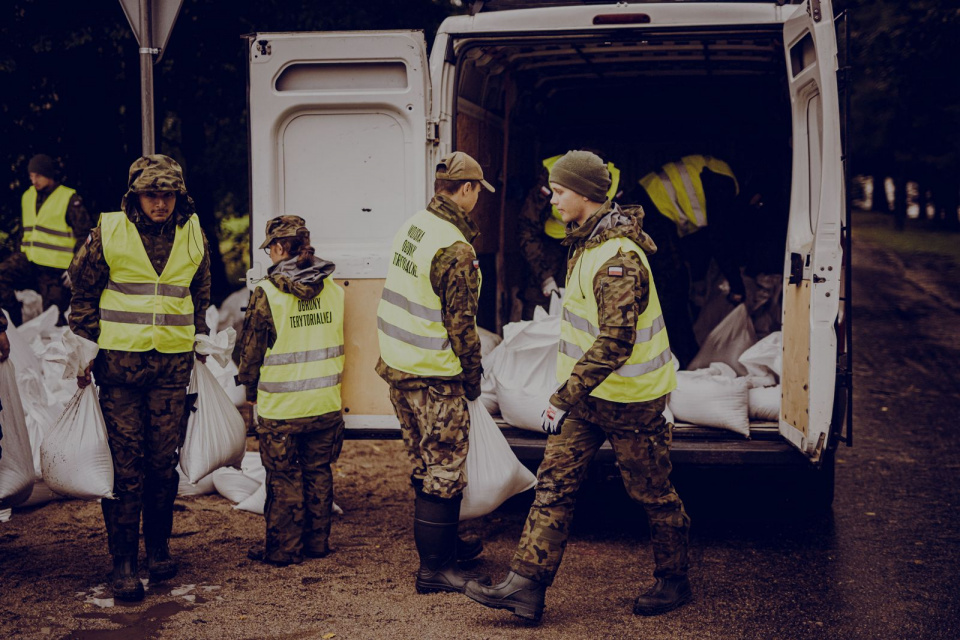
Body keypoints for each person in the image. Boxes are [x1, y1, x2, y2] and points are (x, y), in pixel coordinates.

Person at [463, 150, 691, 622]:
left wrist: (560, 397)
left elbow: (616, 341)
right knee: (553, 484)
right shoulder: (585, 243)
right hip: (589, 401)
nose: (553, 200)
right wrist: (571, 395)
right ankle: (525, 587)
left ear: (587, 195)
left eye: (561, 191)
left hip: (632, 401)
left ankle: (674, 578)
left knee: (651, 492)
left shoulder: (617, 259)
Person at [69, 155, 211, 602]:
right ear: (135, 196)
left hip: (171, 368)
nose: (161, 203)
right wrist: (87, 349)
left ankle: (159, 550)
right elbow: (83, 294)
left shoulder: (192, 232)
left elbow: (199, 292)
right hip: (120, 371)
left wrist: (201, 338)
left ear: (178, 196)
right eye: (152, 194)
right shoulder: (108, 232)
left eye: (168, 194)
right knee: (125, 468)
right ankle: (124, 564)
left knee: (161, 463)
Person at [375, 151, 494, 594]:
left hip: (399, 367)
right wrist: (473, 375)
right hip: (434, 376)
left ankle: (446, 547)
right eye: (478, 189)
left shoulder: (414, 224)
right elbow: (461, 324)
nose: (478, 197)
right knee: (444, 468)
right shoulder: (455, 247)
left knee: (426, 461)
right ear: (465, 189)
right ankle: (435, 569)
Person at [237, 216, 346, 567]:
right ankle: (317, 544)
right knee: (318, 470)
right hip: (326, 403)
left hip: (282, 407)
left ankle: (283, 550)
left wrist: (250, 391)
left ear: (281, 248)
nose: (269, 254)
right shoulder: (334, 290)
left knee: (283, 476)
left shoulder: (267, 294)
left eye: (270, 248)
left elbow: (250, 352)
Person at [634, 154, 743, 368]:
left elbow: (701, 240)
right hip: (651, 212)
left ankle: (684, 357)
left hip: (649, 205)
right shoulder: (723, 182)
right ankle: (681, 359)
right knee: (670, 290)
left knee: (673, 287)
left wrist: (699, 279)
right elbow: (717, 236)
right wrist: (736, 284)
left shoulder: (714, 170)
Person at [518, 153, 621, 319]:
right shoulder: (552, 175)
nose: (554, 200)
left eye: (560, 192)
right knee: (539, 306)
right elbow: (527, 227)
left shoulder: (614, 186)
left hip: (590, 245)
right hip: (550, 244)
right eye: (555, 192)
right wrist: (544, 277)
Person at [0, 154, 92, 326]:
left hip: (55, 269)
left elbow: (85, 235)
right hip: (28, 260)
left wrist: (76, 266)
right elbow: (25, 231)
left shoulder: (69, 198)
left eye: (38, 176)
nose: (34, 180)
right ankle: (12, 327)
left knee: (54, 319)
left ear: (49, 175)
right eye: (31, 176)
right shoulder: (27, 196)